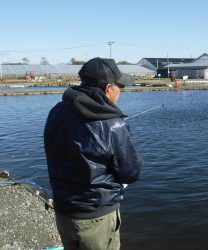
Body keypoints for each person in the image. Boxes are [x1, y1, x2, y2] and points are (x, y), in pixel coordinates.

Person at [44, 57, 143, 250]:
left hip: (64, 211)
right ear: (108, 89)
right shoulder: (113, 124)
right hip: (97, 217)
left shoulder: (56, 111)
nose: (120, 92)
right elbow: (131, 172)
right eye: (119, 87)